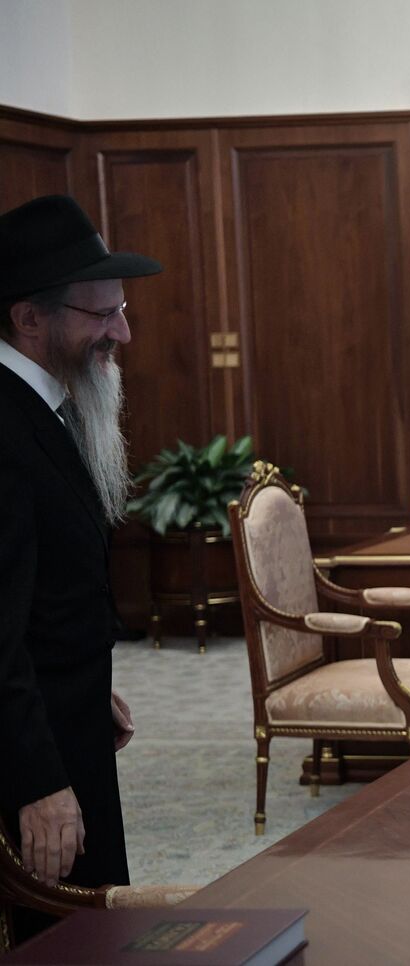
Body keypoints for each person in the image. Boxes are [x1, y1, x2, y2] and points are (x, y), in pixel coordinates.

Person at [0, 195, 161, 936]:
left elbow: (42, 593)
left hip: (71, 726)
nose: (121, 332)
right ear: (28, 318)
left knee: (99, 934)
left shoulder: (46, 409)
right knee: (66, 942)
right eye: (100, 315)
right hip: (35, 767)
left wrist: (86, 688)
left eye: (120, 309)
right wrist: (37, 783)